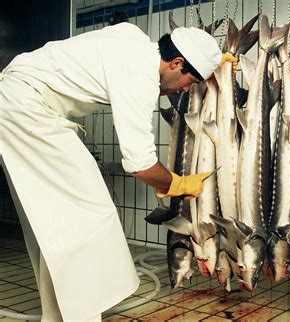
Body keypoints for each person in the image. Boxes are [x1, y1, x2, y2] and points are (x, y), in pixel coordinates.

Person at [0, 21, 229, 321]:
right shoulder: (139, 77)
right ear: (176, 62)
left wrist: (210, 60)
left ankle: (59, 315)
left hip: (20, 101)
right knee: (89, 214)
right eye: (190, 80)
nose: (186, 89)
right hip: (25, 106)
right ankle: (78, 314)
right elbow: (140, 164)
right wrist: (178, 184)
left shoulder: (133, 40)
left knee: (59, 220)